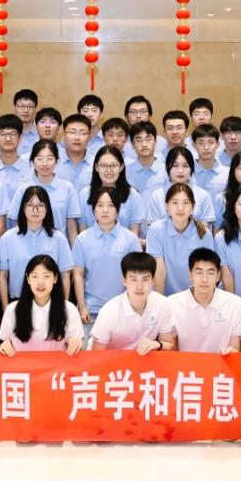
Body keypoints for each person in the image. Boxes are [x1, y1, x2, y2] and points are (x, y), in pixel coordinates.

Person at [72, 186, 143, 327]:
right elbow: (78, 275)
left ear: (118, 210)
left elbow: (139, 274)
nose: (105, 210)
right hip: (92, 310)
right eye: (100, 205)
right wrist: (82, 307)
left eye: (111, 205)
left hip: (124, 309)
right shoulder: (82, 239)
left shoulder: (130, 239)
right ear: (94, 210)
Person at [0, 185, 75, 305]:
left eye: (40, 205)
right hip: (18, 301)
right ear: (23, 208)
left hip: (51, 302)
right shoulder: (8, 238)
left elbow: (65, 275)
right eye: (30, 205)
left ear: (47, 209)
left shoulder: (58, 238)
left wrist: (63, 307)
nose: (35, 210)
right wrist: (5, 309)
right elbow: (3, 276)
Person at [89, 252, 176, 353]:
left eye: (145, 279)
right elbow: (97, 354)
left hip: (143, 358)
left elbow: (169, 345)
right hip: (111, 359)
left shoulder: (162, 304)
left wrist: (158, 344)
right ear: (124, 281)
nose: (139, 286)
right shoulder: (109, 311)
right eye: (133, 279)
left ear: (153, 281)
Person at [0, 255, 85, 355]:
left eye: (46, 276)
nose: (40, 282)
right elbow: (5, 342)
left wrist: (76, 342)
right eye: (35, 276)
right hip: (22, 364)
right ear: (28, 279)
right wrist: (5, 345)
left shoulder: (69, 309)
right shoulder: (12, 309)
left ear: (55, 278)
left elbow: (76, 342)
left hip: (56, 365)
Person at [165, 248, 241, 354]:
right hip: (186, 363)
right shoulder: (172, 303)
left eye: (210, 273)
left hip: (222, 362)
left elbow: (235, 347)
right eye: (199, 273)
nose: (204, 279)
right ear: (190, 275)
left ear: (218, 276)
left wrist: (231, 351)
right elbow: (171, 350)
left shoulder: (235, 303)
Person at [146, 183, 211, 296]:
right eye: (175, 203)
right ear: (167, 206)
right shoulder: (156, 230)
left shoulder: (204, 233)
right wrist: (160, 301)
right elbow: (159, 269)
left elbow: (206, 272)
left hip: (195, 297)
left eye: (185, 203)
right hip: (166, 297)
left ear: (193, 206)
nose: (180, 208)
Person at [81, 145, 152, 239]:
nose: (109, 170)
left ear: (121, 167)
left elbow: (134, 234)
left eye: (113, 165)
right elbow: (82, 233)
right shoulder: (85, 194)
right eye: (103, 166)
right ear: (96, 167)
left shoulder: (133, 195)